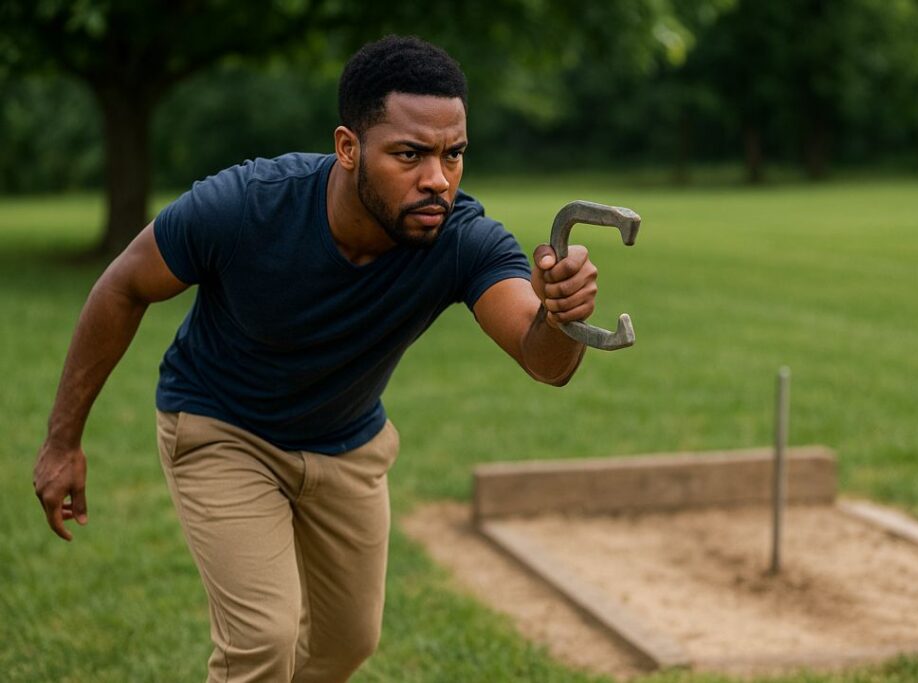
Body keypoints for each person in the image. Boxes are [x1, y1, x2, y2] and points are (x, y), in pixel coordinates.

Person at [32, 35, 600, 682]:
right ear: (349, 148)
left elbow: (542, 358)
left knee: (344, 644)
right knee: (262, 641)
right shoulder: (248, 204)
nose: (437, 179)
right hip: (223, 428)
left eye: (453, 154)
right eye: (409, 154)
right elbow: (123, 285)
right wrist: (61, 441)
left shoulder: (460, 237)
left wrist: (560, 316)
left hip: (346, 442)